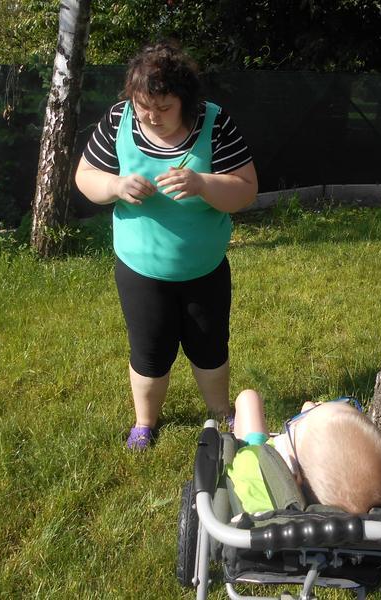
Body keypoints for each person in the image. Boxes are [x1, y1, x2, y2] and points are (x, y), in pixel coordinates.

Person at [75, 41, 258, 449]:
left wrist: (202, 183)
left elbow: (246, 190)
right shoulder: (119, 120)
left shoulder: (214, 122)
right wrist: (115, 185)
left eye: (163, 107)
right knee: (149, 352)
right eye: (143, 107)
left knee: (210, 348)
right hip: (140, 270)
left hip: (204, 267)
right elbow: (85, 176)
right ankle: (145, 424)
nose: (151, 116)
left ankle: (220, 413)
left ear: (186, 101)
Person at [228, 389, 381, 515]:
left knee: (248, 398)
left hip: (261, 464)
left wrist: (310, 412)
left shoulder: (252, 465)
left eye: (294, 427)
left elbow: (247, 453)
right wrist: (308, 416)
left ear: (295, 477)